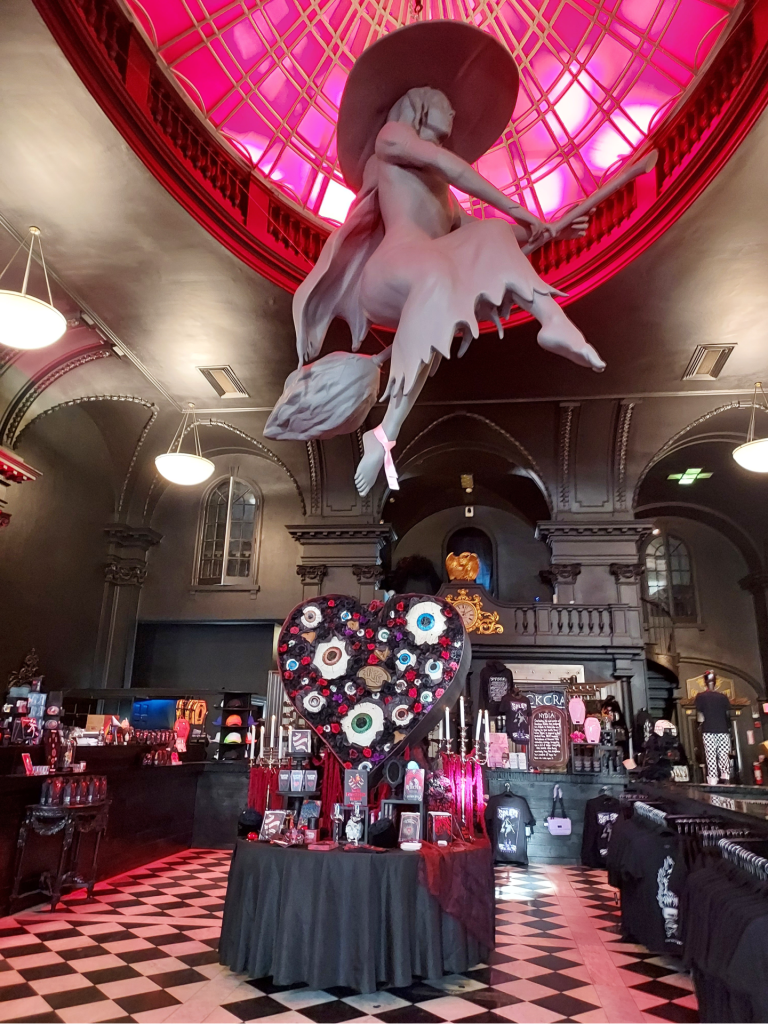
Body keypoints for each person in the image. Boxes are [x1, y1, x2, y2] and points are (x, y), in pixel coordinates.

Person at [269, 22, 605, 495]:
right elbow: (454, 167)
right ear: (423, 104)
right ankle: (387, 431)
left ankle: (553, 322)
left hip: (428, 270)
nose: (456, 111)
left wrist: (548, 231)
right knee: (436, 273)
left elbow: (492, 242)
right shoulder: (392, 138)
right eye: (448, 103)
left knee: (487, 233)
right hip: (389, 272)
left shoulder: (444, 199)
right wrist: (519, 209)